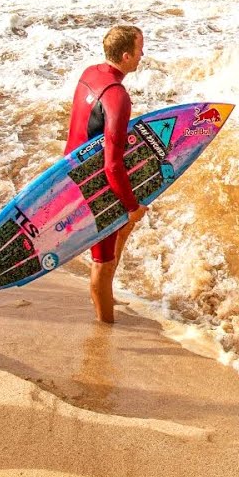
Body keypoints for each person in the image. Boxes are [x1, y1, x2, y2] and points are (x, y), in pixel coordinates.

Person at [66, 25, 148, 323]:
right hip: (94, 182)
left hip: (73, 166)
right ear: (126, 55)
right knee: (103, 258)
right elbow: (112, 165)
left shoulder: (91, 72)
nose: (142, 55)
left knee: (123, 230)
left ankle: (107, 293)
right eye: (140, 50)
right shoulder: (117, 96)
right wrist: (131, 205)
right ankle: (105, 328)